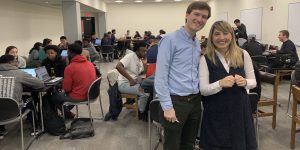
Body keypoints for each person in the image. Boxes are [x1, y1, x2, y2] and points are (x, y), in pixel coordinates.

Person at [154, 2, 211, 150]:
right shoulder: (169, 40)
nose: (200, 19)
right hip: (175, 102)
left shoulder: (196, 43)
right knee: (172, 145)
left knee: (189, 144)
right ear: (187, 15)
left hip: (194, 101)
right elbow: (160, 76)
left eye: (204, 17)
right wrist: (167, 107)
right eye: (196, 14)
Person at [199, 21, 257, 149]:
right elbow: (203, 90)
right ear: (211, 37)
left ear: (231, 35)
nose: (221, 38)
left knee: (239, 144)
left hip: (239, 110)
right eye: (217, 34)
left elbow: (253, 82)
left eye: (225, 33)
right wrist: (220, 83)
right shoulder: (206, 59)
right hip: (215, 110)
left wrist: (245, 82)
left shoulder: (243, 54)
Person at [0, 54, 44, 139]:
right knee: (29, 99)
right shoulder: (19, 73)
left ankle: (1, 129)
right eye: (16, 61)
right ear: (10, 62)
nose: (18, 62)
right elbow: (40, 84)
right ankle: (35, 128)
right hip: (14, 111)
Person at [51, 44, 97, 116]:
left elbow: (67, 89)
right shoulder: (90, 64)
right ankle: (67, 111)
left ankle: (67, 114)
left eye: (67, 51)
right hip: (92, 94)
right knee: (71, 93)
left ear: (71, 53)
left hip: (80, 96)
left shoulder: (70, 68)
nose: (67, 53)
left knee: (54, 97)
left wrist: (62, 84)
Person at [116, 41, 149, 116]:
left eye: (146, 50)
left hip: (135, 81)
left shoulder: (140, 58)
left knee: (149, 87)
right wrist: (130, 79)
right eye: (143, 51)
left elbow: (143, 72)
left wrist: (145, 63)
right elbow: (118, 66)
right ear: (137, 51)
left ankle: (144, 107)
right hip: (124, 84)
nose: (145, 53)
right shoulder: (130, 56)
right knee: (145, 93)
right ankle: (142, 112)